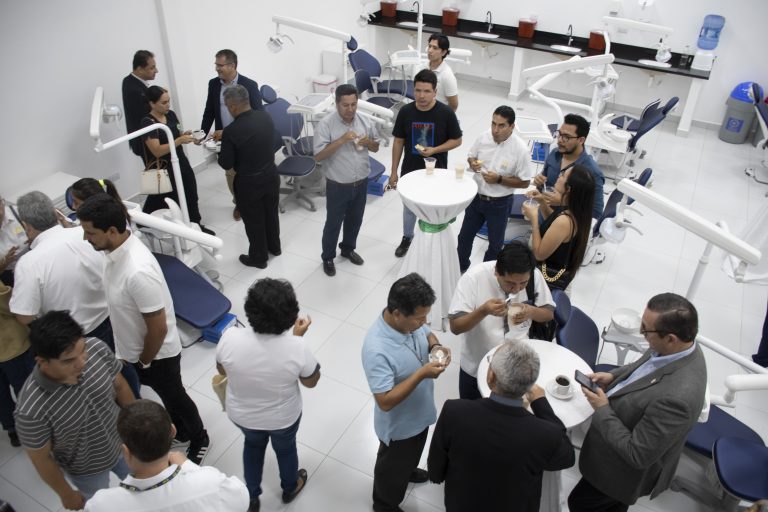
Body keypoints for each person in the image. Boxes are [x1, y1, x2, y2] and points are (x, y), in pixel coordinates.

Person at [77, 194, 210, 465]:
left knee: (176, 396)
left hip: (156, 355)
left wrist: (144, 360)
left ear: (111, 231)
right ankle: (182, 431)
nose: (85, 238)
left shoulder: (137, 271)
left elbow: (158, 328)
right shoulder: (113, 252)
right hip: (137, 351)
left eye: (90, 232)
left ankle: (200, 438)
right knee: (167, 397)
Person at [568, 293, 707, 512]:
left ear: (671, 338)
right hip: (610, 449)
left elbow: (637, 454)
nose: (642, 333)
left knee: (580, 503)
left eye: (646, 330)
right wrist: (615, 376)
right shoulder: (676, 347)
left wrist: (602, 408)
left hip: (619, 475)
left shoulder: (677, 399)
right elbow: (647, 366)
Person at [9, 191, 141, 398]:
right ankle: (136, 405)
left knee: (94, 386)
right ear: (55, 213)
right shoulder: (86, 234)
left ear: (27, 226)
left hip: (77, 338)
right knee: (122, 370)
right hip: (114, 318)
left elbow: (24, 316)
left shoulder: (29, 263)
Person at [427, 341, 575, 511]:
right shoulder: (545, 434)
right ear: (530, 385)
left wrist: (436, 476)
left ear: (490, 377)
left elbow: (437, 460)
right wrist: (540, 402)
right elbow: (567, 457)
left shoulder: (455, 411)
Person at [216, 278, 320, 512]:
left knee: (252, 446)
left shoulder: (230, 337)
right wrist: (297, 337)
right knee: (286, 450)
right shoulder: (297, 347)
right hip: (283, 418)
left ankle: (251, 497)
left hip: (242, 414)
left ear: (250, 309)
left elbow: (222, 370)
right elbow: (311, 381)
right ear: (291, 315)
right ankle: (290, 487)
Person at [15, 310, 135, 510]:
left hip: (124, 445)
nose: (82, 362)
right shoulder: (31, 409)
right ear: (42, 361)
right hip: (87, 470)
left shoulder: (96, 347)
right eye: (68, 360)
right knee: (99, 505)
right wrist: (66, 493)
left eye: (82, 350)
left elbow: (120, 386)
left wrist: (137, 428)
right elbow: (41, 458)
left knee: (140, 488)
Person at [361, 273, 451, 512]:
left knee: (411, 455)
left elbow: (427, 333)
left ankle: (408, 470)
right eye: (419, 318)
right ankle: (384, 504)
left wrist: (436, 346)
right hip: (399, 428)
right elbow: (384, 401)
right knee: (391, 469)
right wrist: (421, 373)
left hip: (419, 413)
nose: (424, 322)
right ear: (397, 313)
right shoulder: (376, 349)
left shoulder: (411, 324)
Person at [85, 400, 249, 512]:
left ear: (126, 451)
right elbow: (242, 498)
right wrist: (188, 466)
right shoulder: (211, 483)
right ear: (173, 431)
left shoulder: (101, 505)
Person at [449, 242, 554, 399]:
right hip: (478, 362)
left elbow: (549, 314)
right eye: (510, 283)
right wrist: (483, 311)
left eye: (523, 284)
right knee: (471, 407)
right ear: (496, 272)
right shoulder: (473, 279)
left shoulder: (534, 275)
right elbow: (455, 326)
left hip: (518, 365)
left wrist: (531, 311)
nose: (517, 289)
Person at [389, 69, 462, 258]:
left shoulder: (445, 113)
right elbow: (398, 141)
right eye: (418, 90)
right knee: (409, 209)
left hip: (436, 172)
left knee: (432, 208)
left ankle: (431, 242)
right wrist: (394, 171)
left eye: (427, 91)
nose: (422, 96)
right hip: (410, 170)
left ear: (435, 92)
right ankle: (407, 238)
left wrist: (435, 150)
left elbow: (457, 140)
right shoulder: (406, 111)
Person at [314, 84, 380, 277]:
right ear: (336, 104)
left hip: (361, 182)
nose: (350, 109)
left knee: (355, 220)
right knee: (333, 223)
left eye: (354, 104)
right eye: (345, 105)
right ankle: (328, 257)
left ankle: (348, 249)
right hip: (338, 185)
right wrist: (342, 140)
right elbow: (318, 156)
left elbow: (376, 147)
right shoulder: (326, 124)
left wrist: (368, 142)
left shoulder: (365, 120)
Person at [456, 106, 533, 272]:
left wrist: (499, 179)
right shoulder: (483, 137)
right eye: (493, 123)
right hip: (477, 198)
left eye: (501, 125)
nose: (495, 130)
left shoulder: (520, 150)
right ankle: (460, 267)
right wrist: (472, 163)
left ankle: (487, 274)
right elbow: (471, 155)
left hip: (500, 203)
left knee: (495, 245)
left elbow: (525, 182)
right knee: (464, 237)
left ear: (512, 126)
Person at [218, 84, 281, 269]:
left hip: (249, 182)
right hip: (271, 174)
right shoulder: (265, 116)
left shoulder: (231, 131)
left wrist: (223, 145)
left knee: (254, 220)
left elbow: (226, 163)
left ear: (232, 106)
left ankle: (258, 258)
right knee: (271, 214)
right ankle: (274, 247)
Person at [140, 86, 214, 235]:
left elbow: (177, 134)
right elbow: (156, 150)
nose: (168, 105)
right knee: (167, 199)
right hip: (165, 168)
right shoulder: (148, 123)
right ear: (152, 103)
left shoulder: (171, 115)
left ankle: (196, 225)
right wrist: (179, 140)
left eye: (169, 101)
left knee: (191, 193)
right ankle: (145, 223)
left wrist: (186, 136)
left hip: (181, 161)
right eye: (163, 102)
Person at [201, 49, 264, 221]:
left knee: (248, 174)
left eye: (220, 65)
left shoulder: (249, 85)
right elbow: (209, 111)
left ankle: (253, 201)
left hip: (246, 139)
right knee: (231, 174)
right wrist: (202, 133)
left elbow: (258, 115)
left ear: (232, 66)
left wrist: (232, 131)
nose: (217, 68)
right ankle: (239, 203)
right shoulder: (214, 84)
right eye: (216, 64)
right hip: (225, 141)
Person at [522, 165, 594, 291]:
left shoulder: (564, 222)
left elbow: (539, 254)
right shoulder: (574, 211)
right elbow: (553, 222)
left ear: (569, 188)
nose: (559, 176)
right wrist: (542, 202)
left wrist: (534, 220)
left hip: (547, 281)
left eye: (563, 176)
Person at [533, 113, 605, 218]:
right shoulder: (554, 154)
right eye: (559, 134)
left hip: (565, 224)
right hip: (543, 217)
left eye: (566, 137)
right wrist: (539, 182)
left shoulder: (592, 172)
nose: (560, 140)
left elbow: (596, 213)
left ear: (581, 140)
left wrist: (564, 202)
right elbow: (544, 185)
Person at [0, 281, 34, 447]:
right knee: (25, 390)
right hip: (10, 345)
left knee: (1, 395)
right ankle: (34, 428)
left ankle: (12, 429)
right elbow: (10, 305)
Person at [122, 50, 158, 157]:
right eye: (152, 68)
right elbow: (147, 117)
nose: (156, 71)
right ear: (140, 69)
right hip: (147, 143)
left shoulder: (128, 80)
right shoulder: (134, 90)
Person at [423, 34, 458, 111]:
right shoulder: (423, 66)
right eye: (429, 46)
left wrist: (442, 117)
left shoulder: (447, 75)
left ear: (443, 52)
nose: (430, 50)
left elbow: (454, 105)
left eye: (435, 48)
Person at [0, 195, 29, 287]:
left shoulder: (17, 211)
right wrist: (4, 262)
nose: (1, 213)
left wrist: (35, 237)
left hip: (34, 262)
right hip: (10, 276)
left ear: (3, 202)